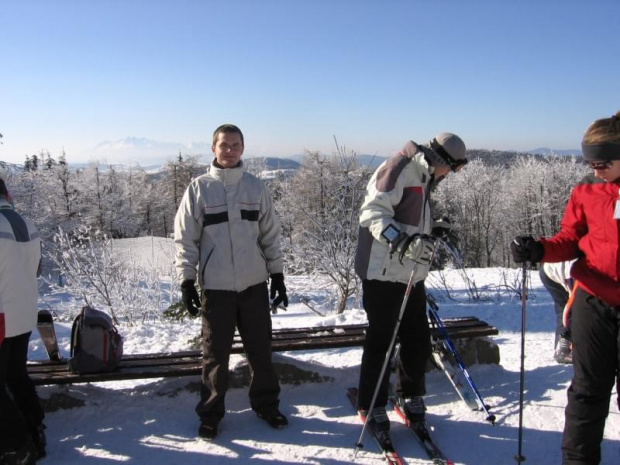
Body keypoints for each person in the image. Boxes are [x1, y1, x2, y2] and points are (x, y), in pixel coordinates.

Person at [511, 111, 620, 465]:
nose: (595, 170)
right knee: (587, 392)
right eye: (590, 162)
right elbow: (570, 239)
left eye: (603, 162)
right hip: (594, 300)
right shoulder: (586, 193)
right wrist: (540, 249)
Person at [174, 124, 289, 440]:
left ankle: (267, 405)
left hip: (253, 284)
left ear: (243, 148)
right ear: (213, 148)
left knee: (260, 351)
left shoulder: (255, 188)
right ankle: (210, 414)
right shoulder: (198, 189)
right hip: (217, 288)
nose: (230, 150)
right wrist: (186, 281)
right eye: (224, 145)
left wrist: (277, 275)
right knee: (215, 355)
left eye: (236, 145)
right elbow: (185, 240)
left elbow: (270, 236)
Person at [354, 132, 467, 432]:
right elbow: (371, 212)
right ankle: (372, 402)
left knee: (417, 337)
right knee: (382, 339)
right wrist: (401, 241)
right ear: (442, 159)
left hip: (411, 273)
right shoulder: (399, 167)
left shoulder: (425, 173)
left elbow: (410, 216)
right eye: (453, 168)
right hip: (382, 272)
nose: (452, 174)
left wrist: (433, 228)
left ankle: (411, 395)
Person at [0, 178, 46, 464]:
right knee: (16, 375)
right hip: (23, 313)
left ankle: (16, 446)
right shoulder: (25, 222)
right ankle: (35, 431)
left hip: (1, 315)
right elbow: (37, 268)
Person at [539, 260, 575, 364]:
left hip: (556, 270)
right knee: (568, 308)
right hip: (552, 274)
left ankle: (562, 347)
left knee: (566, 307)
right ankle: (563, 349)